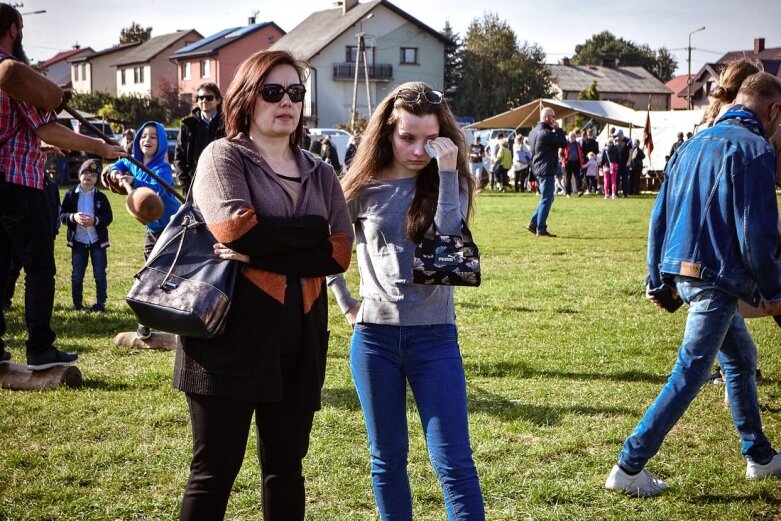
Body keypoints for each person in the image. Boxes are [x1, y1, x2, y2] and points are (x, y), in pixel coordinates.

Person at [172, 49, 353, 521]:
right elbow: (235, 232)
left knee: (286, 470)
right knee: (214, 473)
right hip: (227, 335)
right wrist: (308, 235)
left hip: (301, 336)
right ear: (248, 98)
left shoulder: (322, 170)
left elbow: (338, 254)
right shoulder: (222, 156)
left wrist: (263, 247)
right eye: (273, 92)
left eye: (296, 92)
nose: (286, 102)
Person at [605, 72, 781, 497]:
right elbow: (756, 233)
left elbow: (659, 216)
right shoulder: (755, 150)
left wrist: (655, 279)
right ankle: (628, 467)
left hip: (686, 273)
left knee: (740, 358)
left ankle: (759, 456)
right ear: (775, 110)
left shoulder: (691, 144)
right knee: (690, 372)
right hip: (716, 279)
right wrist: (775, 292)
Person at [327, 81, 485, 520]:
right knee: (387, 459)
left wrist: (449, 173)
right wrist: (345, 302)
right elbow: (329, 252)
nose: (418, 150)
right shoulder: (363, 188)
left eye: (429, 139)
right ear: (387, 132)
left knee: (454, 461)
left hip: (435, 339)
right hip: (374, 341)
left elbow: (450, 237)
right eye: (407, 137)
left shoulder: (450, 183)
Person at [0, 3, 124, 369]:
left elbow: (19, 132)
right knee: (39, 268)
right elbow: (45, 126)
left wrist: (40, 141)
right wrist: (99, 146)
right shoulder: (14, 75)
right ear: (13, 30)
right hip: (19, 182)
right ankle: (39, 348)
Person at [108, 121, 180, 339]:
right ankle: (145, 321)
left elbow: (158, 189)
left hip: (172, 228)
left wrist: (135, 182)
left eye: (153, 137)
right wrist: (114, 172)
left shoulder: (163, 168)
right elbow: (118, 165)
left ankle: (178, 317)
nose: (147, 140)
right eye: (143, 136)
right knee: (148, 273)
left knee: (171, 273)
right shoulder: (133, 162)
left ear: (161, 142)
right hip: (152, 229)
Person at [59, 159, 112, 313]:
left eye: (94, 175)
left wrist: (95, 220)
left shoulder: (101, 197)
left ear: (97, 179)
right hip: (78, 241)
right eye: (86, 173)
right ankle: (77, 304)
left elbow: (108, 217)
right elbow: (62, 215)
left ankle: (100, 303)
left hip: (97, 241)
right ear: (80, 174)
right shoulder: (70, 195)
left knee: (100, 273)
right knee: (77, 274)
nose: (89, 177)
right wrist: (73, 217)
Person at [174, 82, 225, 196]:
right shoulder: (188, 126)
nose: (204, 100)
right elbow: (179, 158)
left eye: (209, 97)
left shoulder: (228, 125)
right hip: (195, 185)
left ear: (218, 100)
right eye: (201, 97)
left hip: (222, 185)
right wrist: (185, 184)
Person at [526, 107, 566, 237]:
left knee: (547, 197)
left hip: (537, 168)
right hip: (546, 169)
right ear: (548, 118)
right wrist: (558, 129)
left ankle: (533, 222)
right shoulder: (547, 133)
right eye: (553, 116)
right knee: (547, 198)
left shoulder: (533, 132)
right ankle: (541, 228)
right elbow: (563, 143)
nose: (555, 119)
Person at [562, 130, 584, 197]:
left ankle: (579, 190)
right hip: (568, 163)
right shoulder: (566, 144)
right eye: (571, 137)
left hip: (576, 162)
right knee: (568, 178)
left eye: (574, 136)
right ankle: (568, 193)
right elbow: (561, 153)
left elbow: (580, 152)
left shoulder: (577, 144)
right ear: (568, 137)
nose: (572, 138)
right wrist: (564, 159)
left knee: (578, 177)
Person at [613, 129, 632, 197]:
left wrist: (629, 160)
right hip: (617, 162)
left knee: (625, 178)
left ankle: (625, 193)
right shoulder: (615, 140)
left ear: (621, 134)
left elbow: (630, 150)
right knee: (616, 178)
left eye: (618, 135)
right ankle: (616, 192)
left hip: (625, 162)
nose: (618, 137)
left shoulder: (628, 140)